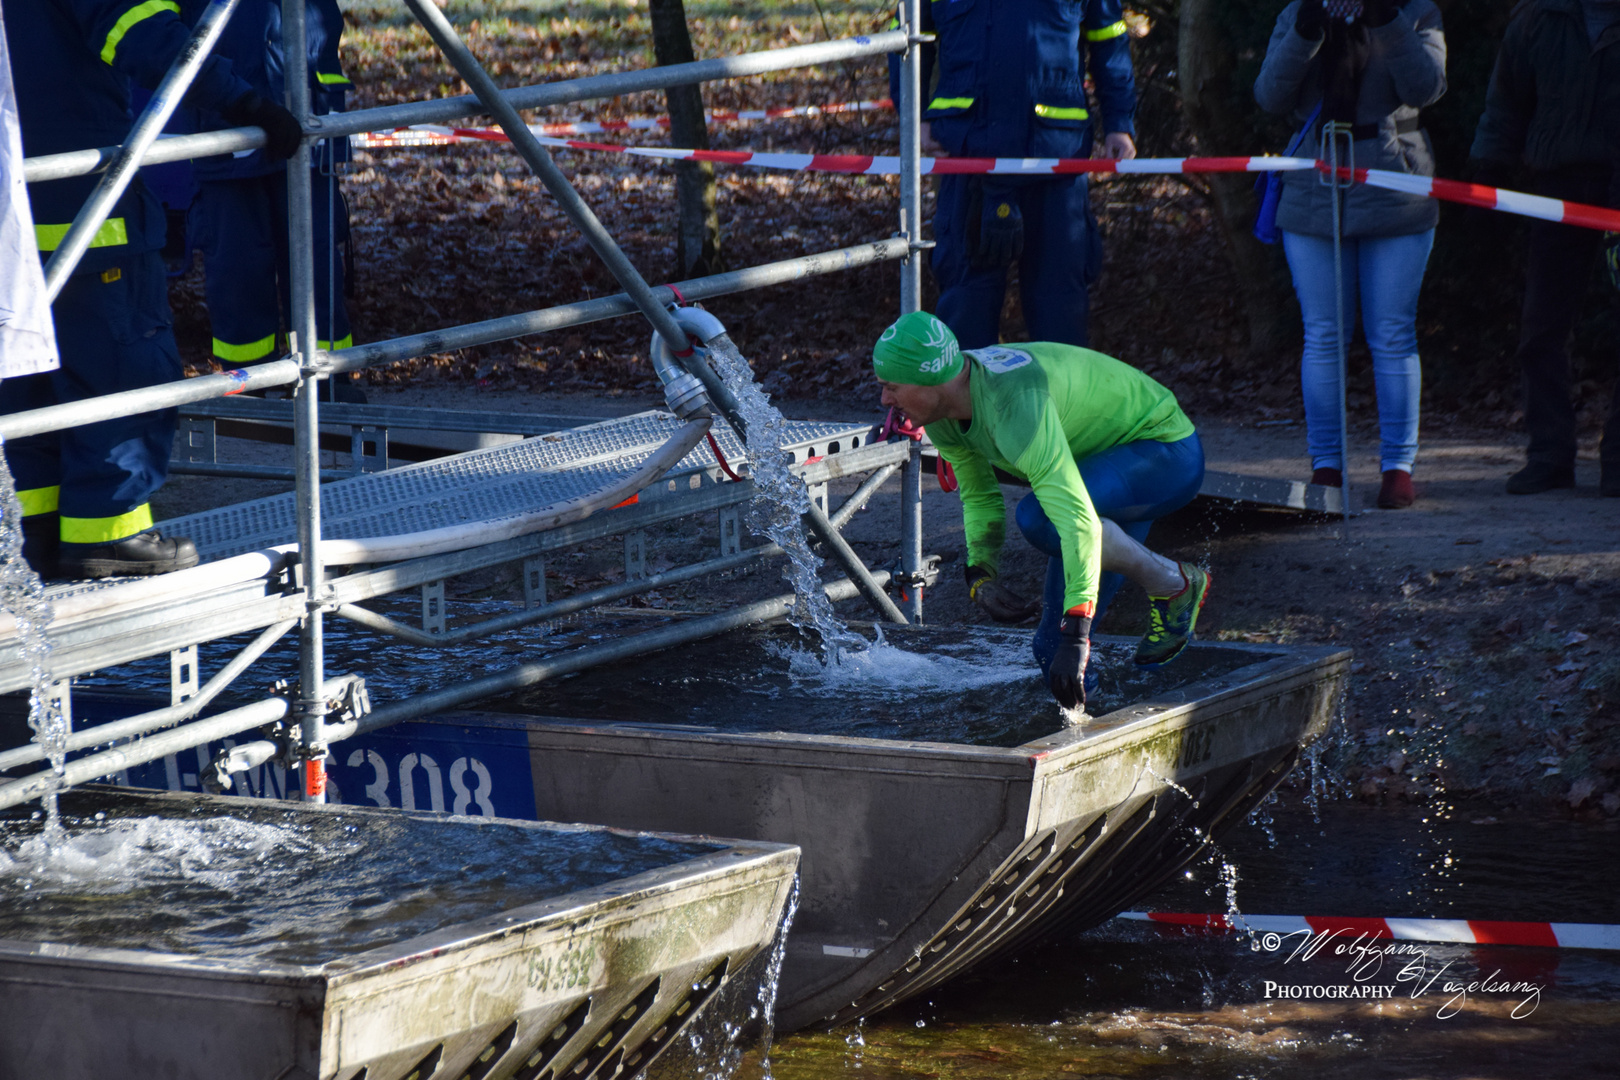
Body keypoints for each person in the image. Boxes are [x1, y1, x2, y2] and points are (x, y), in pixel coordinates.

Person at [3, 0, 300, 577]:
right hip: (84, 213)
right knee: (123, 370)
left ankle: (38, 530)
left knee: (26, 371)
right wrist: (246, 101)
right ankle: (109, 536)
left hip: (10, 219)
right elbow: (149, 38)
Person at [873, 311, 1209, 710]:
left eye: (892, 387)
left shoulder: (1014, 404)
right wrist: (981, 573)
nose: (884, 400)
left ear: (931, 380)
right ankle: (1119, 725)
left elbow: (1075, 521)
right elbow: (979, 494)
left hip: (1164, 452)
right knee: (1052, 653)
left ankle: (1174, 585)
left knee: (1040, 519)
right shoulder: (944, 409)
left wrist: (1079, 632)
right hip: (1100, 467)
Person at [1254, 0, 1447, 510]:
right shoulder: (1299, 9)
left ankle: (1397, 469)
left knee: (1393, 332)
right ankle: (1327, 466)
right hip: (1314, 189)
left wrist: (1385, 17)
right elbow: (1270, 96)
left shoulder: (1417, 9)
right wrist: (1307, 27)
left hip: (1395, 186)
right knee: (1322, 334)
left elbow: (1426, 88)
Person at [902, 0, 1137, 350]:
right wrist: (916, 114)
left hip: (1054, 162)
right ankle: (967, 405)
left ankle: (1059, 403)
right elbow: (906, 41)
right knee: (966, 306)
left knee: (1060, 308)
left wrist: (1119, 122)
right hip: (970, 160)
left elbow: (1109, 39)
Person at [1470, 0, 1620, 496]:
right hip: (1558, 188)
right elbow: (1506, 101)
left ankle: (1619, 460)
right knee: (1542, 327)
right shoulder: (1538, 17)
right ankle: (1549, 454)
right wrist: (1489, 169)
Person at [182, 0, 361, 399]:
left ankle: (330, 379)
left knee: (316, 262)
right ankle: (249, 383)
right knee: (238, 268)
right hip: (226, 122)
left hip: (307, 114)